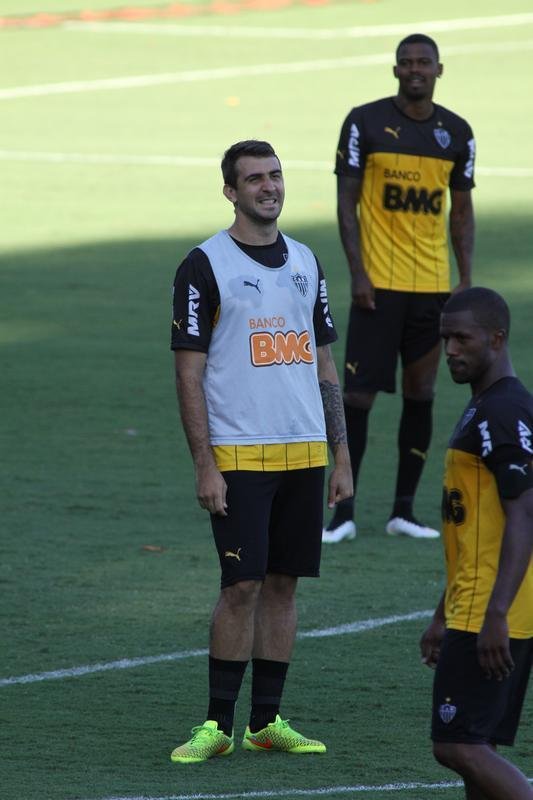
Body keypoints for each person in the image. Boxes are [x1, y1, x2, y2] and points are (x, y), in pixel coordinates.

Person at [169, 140, 353, 763]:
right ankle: (218, 726)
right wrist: (205, 463)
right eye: (254, 180)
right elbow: (188, 373)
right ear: (230, 191)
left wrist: (342, 457)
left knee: (284, 586)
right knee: (241, 586)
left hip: (305, 454)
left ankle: (266, 722)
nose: (268, 187)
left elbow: (325, 364)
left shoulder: (305, 260)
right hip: (240, 457)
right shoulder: (204, 265)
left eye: (274, 176)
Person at [323, 33, 476, 543]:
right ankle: (343, 513)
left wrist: (466, 281)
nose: (415, 69)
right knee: (359, 397)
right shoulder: (363, 121)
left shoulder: (456, 133)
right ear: (395, 71)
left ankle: (403, 512)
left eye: (423, 63)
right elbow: (347, 203)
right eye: (406, 62)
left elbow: (462, 212)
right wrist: (358, 272)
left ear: (439, 70)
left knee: (422, 393)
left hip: (432, 290)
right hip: (378, 287)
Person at [420, 287, 533, 799]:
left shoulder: (501, 413)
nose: (450, 351)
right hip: (477, 605)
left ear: (496, 338)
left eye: (462, 339)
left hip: (491, 610)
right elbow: (473, 529)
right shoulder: (490, 406)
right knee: (474, 746)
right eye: (445, 339)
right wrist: (443, 612)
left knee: (458, 745)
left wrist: (495, 615)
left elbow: (523, 514)